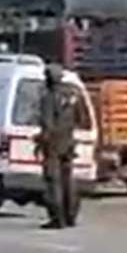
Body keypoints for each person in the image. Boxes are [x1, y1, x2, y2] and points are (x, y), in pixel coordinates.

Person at [38, 63, 80, 230]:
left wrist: (42, 141)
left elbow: (47, 124)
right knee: (68, 180)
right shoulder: (71, 95)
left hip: (53, 144)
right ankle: (71, 216)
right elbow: (79, 118)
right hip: (68, 141)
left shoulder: (49, 97)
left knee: (53, 181)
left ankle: (57, 218)